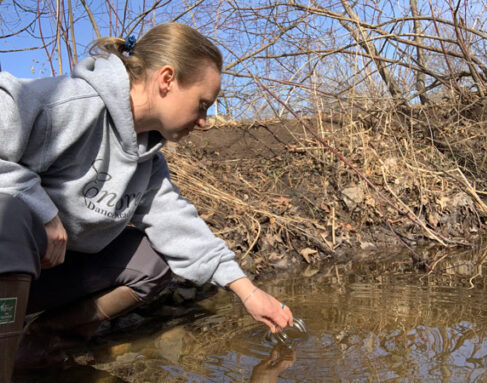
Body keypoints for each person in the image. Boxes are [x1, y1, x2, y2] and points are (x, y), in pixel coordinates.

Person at [0, 22, 294, 382]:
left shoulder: (148, 161)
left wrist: (248, 293)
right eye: (203, 104)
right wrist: (43, 212)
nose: (205, 121)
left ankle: (41, 347)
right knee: (10, 211)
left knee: (151, 261)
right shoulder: (69, 103)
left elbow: (179, 227)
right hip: (9, 264)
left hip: (39, 276)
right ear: (167, 80)